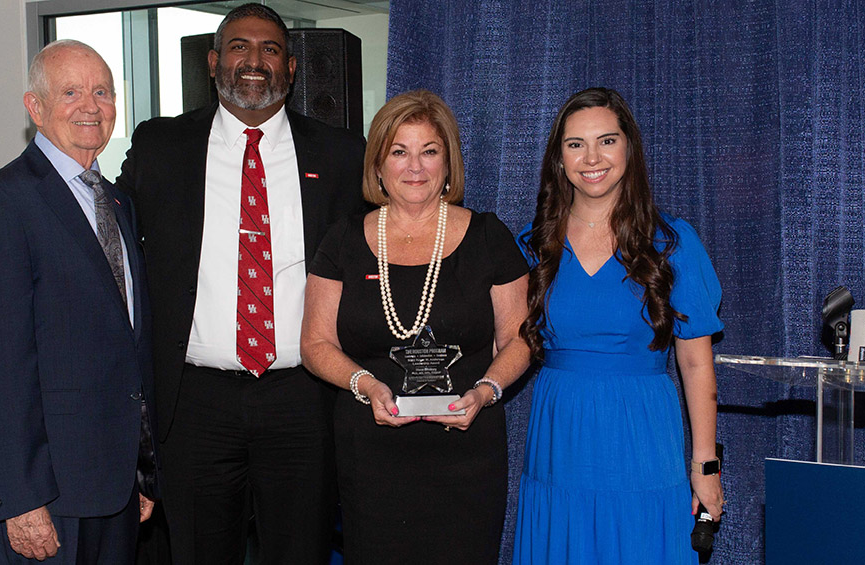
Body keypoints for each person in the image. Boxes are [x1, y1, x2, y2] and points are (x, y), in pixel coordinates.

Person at [114, 4, 365, 564]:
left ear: (292, 68)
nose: (255, 61)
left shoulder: (342, 154)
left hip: (303, 400)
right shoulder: (160, 147)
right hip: (195, 402)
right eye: (239, 47)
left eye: (271, 49)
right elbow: (107, 235)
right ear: (212, 62)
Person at [300, 89, 531, 564]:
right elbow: (315, 343)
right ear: (378, 165)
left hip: (467, 448)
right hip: (373, 452)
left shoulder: (490, 236)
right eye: (399, 152)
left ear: (448, 163)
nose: (415, 168)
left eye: (430, 151)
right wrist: (363, 383)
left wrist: (486, 390)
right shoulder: (343, 239)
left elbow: (521, 338)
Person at [0, 39, 157, 565]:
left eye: (102, 92)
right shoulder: (3, 202)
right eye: (70, 92)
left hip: (115, 489)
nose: (91, 106)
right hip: (47, 493)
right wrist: (21, 500)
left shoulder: (117, 203)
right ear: (35, 107)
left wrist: (142, 471)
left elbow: (130, 350)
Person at [511, 87, 724, 564]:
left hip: (641, 431)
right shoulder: (533, 245)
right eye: (575, 144)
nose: (591, 158)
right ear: (559, 157)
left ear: (629, 147)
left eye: (606, 141)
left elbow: (695, 364)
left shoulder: (672, 241)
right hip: (559, 434)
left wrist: (705, 465)